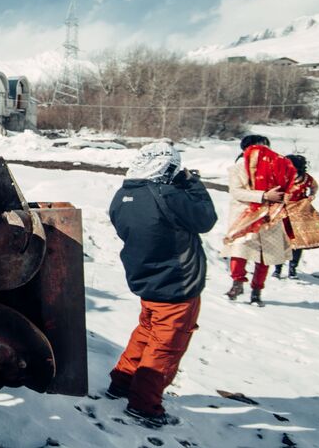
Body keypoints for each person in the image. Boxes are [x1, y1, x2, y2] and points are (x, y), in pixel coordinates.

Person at [107, 141, 218, 427]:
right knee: (166, 347)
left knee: (146, 332)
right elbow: (206, 218)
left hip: (146, 281)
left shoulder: (122, 196)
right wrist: (192, 183)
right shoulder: (167, 194)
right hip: (177, 286)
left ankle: (122, 382)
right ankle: (144, 405)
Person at [221, 135, 290, 307]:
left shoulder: (276, 167)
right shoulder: (237, 169)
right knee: (239, 251)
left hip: (269, 217)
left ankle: (257, 290)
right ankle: (237, 283)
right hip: (244, 217)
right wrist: (263, 196)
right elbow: (236, 192)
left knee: (264, 256)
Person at [274, 154, 315, 278]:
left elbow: (314, 187)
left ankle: (293, 268)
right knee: (280, 241)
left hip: (299, 212)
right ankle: (278, 268)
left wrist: (311, 196)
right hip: (282, 211)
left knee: (297, 242)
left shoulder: (305, 178)